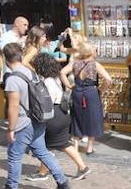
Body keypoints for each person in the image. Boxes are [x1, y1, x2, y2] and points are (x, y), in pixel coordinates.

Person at [0, 42, 70, 189]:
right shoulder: (31, 72)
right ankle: (62, 181)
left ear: (5, 58)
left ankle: (11, 188)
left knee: (14, 155)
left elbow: (14, 106)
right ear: (21, 55)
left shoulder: (13, 79)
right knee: (42, 152)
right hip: (39, 118)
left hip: (24, 123)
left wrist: (11, 129)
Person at [30, 52, 90, 181]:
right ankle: (82, 167)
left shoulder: (46, 82)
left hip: (53, 115)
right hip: (62, 114)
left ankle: (43, 172)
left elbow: (47, 101)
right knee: (63, 144)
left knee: (44, 145)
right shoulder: (55, 79)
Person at [63, 40, 111, 154]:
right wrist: (101, 90)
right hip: (91, 93)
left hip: (78, 92)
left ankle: (75, 146)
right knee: (92, 119)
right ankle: (89, 147)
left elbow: (61, 72)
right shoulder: (95, 64)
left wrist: (69, 86)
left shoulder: (75, 63)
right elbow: (108, 79)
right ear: (91, 52)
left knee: (76, 117)